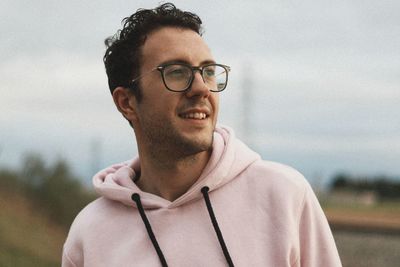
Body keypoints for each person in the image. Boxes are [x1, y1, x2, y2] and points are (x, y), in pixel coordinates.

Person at [62, 3, 342, 267]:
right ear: (127, 102)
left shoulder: (285, 196)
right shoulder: (90, 234)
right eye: (176, 72)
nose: (201, 88)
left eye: (208, 72)